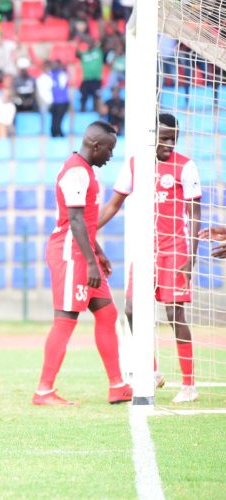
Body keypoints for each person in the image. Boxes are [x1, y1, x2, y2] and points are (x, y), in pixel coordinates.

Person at [99, 113, 202, 403]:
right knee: (131, 309)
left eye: (173, 138)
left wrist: (191, 257)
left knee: (174, 313)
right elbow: (114, 204)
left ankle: (189, 385)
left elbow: (195, 215)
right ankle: (153, 371)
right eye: (164, 137)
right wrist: (89, 228)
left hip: (176, 248)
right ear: (151, 138)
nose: (169, 143)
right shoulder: (135, 165)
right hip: (145, 250)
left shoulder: (186, 166)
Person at [34, 121, 132, 406]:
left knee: (107, 314)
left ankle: (117, 386)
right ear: (96, 145)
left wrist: (97, 253)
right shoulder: (76, 170)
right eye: (110, 150)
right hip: (69, 254)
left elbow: (86, 223)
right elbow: (74, 220)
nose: (111, 156)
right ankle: (43, 391)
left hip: (83, 253)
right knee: (65, 320)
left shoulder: (85, 170)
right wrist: (90, 262)